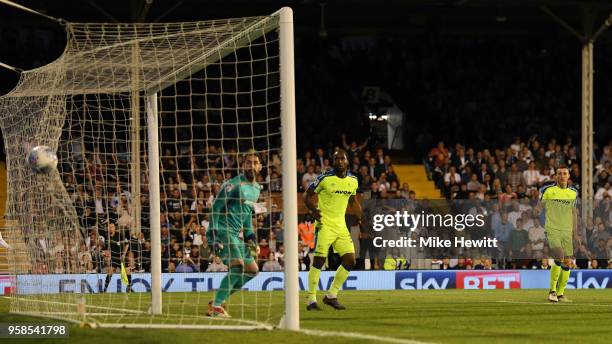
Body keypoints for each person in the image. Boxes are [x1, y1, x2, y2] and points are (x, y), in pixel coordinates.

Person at [303, 149, 361, 311]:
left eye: (342, 159)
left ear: (347, 161)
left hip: (341, 226)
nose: (340, 162)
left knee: (350, 260)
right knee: (319, 261)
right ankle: (311, 299)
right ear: (332, 162)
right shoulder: (324, 178)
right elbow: (306, 196)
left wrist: (361, 218)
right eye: (336, 159)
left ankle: (331, 295)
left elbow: (353, 200)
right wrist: (313, 211)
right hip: (324, 224)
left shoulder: (353, 180)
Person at [205, 153, 262, 317]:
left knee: (252, 270)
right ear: (243, 165)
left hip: (237, 235)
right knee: (237, 266)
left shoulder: (257, 188)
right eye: (248, 162)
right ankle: (216, 306)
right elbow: (216, 207)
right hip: (222, 230)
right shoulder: (233, 184)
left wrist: (251, 236)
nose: (252, 165)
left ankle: (218, 299)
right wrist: (214, 234)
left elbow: (247, 214)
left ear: (260, 167)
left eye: (255, 163)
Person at [539, 167, 578, 303]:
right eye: (559, 174)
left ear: (568, 176)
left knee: (568, 262)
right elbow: (539, 208)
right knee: (559, 256)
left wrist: (576, 233)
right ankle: (552, 292)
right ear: (556, 176)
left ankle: (560, 294)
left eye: (565, 174)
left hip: (567, 231)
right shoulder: (548, 191)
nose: (562, 176)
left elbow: (574, 213)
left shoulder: (573, 193)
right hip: (552, 229)